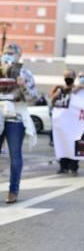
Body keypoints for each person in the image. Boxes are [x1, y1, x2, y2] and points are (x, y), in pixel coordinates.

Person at [0, 43, 39, 203]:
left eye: (11, 53)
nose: (8, 55)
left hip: (15, 119)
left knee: (15, 157)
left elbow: (34, 98)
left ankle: (13, 191)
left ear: (19, 56)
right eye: (5, 52)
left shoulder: (26, 73)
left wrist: (23, 87)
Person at [50, 69, 80, 175]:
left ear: (74, 77)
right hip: (61, 124)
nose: (67, 78)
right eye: (65, 76)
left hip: (74, 123)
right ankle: (63, 166)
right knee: (62, 144)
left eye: (69, 76)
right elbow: (52, 100)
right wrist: (57, 92)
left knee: (74, 145)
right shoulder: (60, 90)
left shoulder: (78, 90)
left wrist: (77, 87)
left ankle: (74, 166)